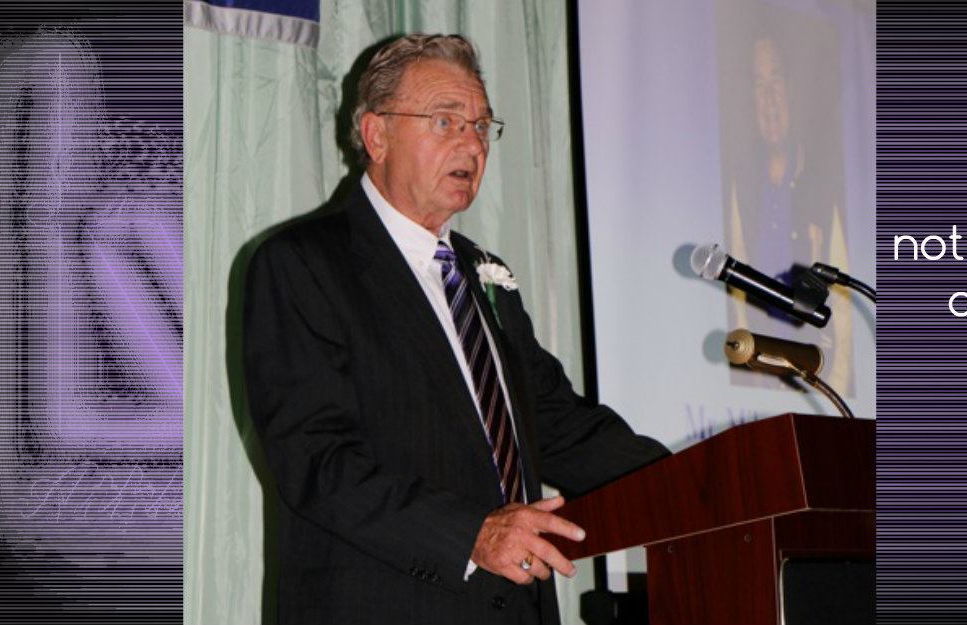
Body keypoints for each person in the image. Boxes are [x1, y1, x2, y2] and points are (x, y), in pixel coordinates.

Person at [243, 34, 668, 625]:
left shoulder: (481, 275)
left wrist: (698, 486)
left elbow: (559, 425)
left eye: (482, 126)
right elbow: (317, 461)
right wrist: (472, 535)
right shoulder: (304, 264)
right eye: (446, 122)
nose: (472, 144)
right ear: (376, 135)